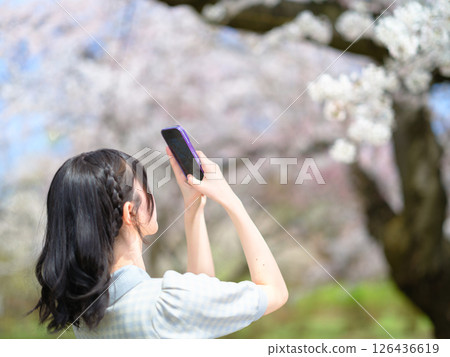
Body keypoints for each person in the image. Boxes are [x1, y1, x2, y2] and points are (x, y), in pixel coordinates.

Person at [32, 146, 288, 338]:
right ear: (130, 212)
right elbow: (275, 292)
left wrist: (193, 208)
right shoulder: (168, 303)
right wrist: (232, 201)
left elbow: (199, 301)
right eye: (145, 187)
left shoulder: (85, 318)